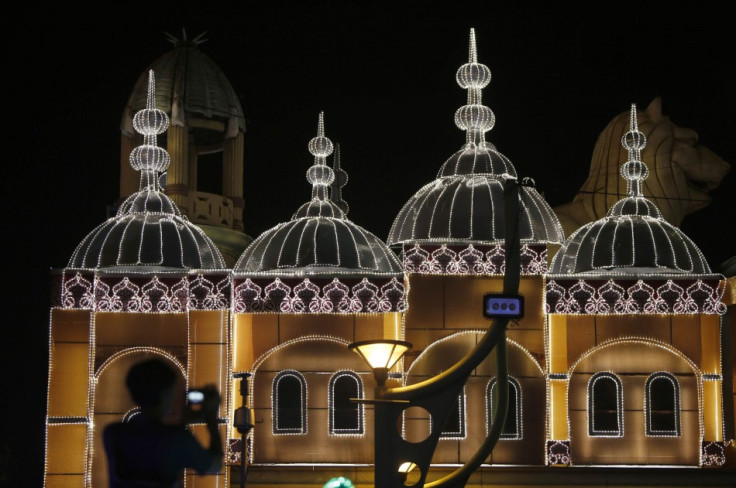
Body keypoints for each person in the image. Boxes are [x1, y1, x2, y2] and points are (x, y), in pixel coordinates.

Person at [103, 357, 223, 488]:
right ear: (165, 394)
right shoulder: (178, 439)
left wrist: (183, 422)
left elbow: (154, 441)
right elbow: (214, 465)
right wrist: (211, 419)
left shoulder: (113, 433)